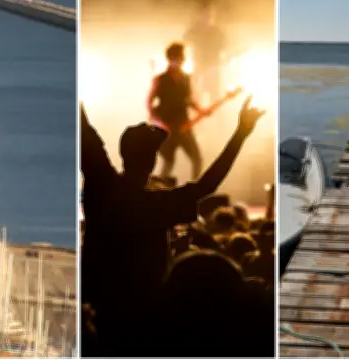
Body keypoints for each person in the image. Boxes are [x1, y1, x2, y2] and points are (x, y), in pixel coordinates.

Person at [79, 93, 264, 356]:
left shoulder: (102, 186)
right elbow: (207, 185)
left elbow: (84, 131)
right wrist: (241, 134)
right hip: (144, 323)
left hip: (97, 312)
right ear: (153, 161)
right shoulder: (157, 206)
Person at [148, 42, 204, 181]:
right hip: (167, 126)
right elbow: (149, 103)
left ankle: (194, 190)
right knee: (169, 161)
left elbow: (188, 99)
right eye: (175, 58)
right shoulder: (160, 79)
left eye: (180, 58)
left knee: (196, 159)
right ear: (169, 59)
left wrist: (200, 110)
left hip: (183, 125)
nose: (178, 61)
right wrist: (160, 123)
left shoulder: (186, 78)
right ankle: (159, 191)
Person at [184, 3, 228, 100]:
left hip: (213, 68)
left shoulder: (217, 31)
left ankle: (216, 114)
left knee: (214, 96)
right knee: (195, 95)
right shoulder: (194, 30)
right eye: (204, 15)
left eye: (209, 15)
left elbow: (224, 48)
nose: (207, 18)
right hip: (199, 67)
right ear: (199, 16)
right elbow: (185, 41)